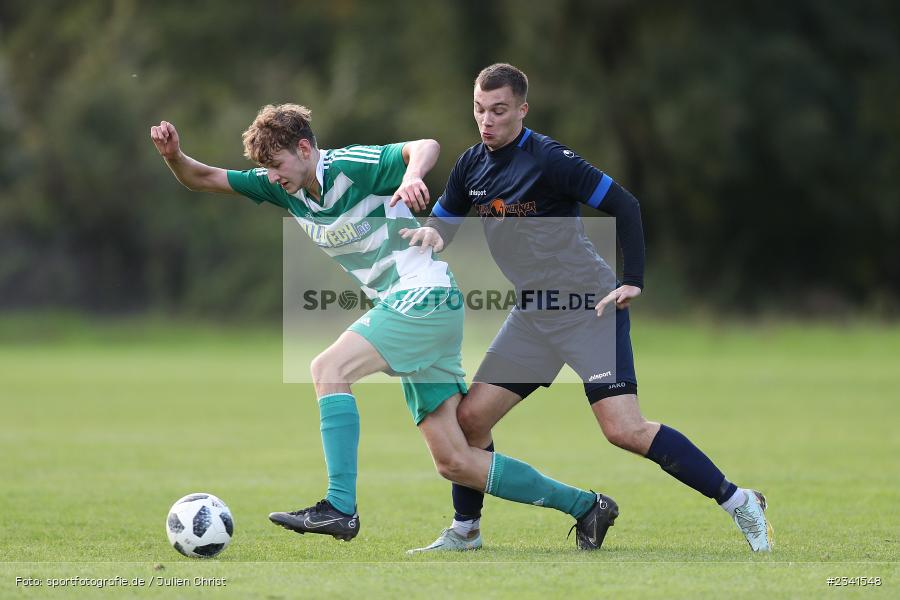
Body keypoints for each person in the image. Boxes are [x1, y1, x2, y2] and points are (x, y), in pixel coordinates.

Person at [149, 103, 617, 549]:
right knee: (454, 460)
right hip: (417, 308)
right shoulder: (282, 187)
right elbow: (203, 176)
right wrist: (174, 156)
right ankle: (587, 506)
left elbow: (425, 146)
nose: (272, 176)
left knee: (328, 368)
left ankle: (339, 507)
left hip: (424, 296)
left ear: (306, 149)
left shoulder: (351, 165)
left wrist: (412, 176)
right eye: (266, 169)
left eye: (277, 163)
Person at [403, 63, 773, 553]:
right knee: (470, 421)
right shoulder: (471, 163)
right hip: (533, 316)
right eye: (478, 109)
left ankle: (738, 500)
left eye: (498, 110)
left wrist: (632, 280)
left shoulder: (551, 159)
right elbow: (445, 225)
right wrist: (431, 233)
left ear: (522, 110)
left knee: (624, 429)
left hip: (588, 307)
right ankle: (466, 530)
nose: (486, 120)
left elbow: (626, 205)